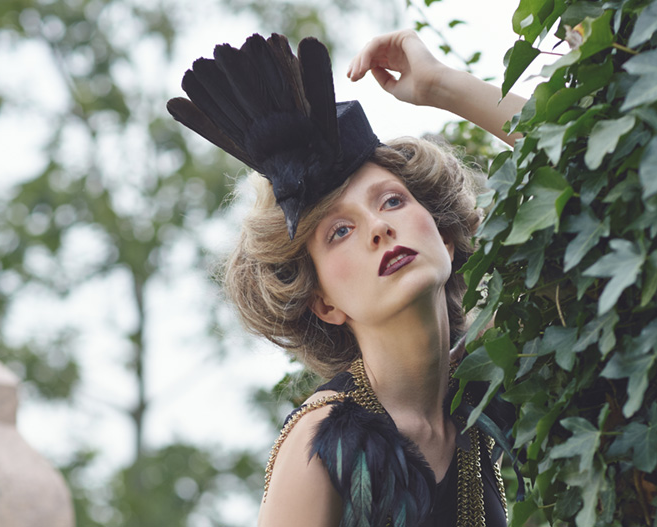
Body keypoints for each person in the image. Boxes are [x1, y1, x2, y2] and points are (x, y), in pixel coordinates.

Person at [168, 29, 525, 527]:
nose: (379, 227)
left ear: (443, 237)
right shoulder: (319, 446)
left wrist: (441, 86)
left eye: (393, 201)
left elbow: (595, 163)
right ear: (324, 303)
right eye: (339, 231)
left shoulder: (491, 388)